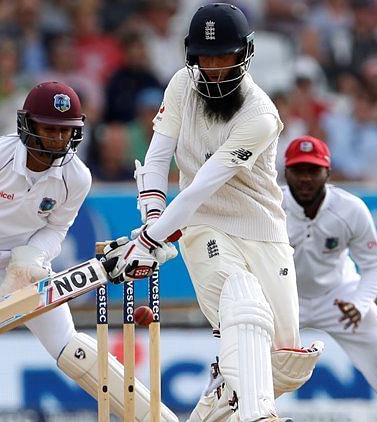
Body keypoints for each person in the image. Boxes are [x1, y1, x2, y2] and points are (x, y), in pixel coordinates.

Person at [0, 82, 177, 422]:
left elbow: (56, 228)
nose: (56, 138)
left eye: (65, 131)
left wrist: (30, 259)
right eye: (48, 128)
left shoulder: (77, 178)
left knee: (72, 348)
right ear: (28, 125)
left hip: (23, 269)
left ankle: (158, 419)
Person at [102, 4, 322, 421]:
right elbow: (156, 160)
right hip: (202, 224)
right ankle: (260, 416)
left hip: (262, 230)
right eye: (206, 58)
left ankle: (221, 402)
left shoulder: (259, 114)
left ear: (244, 55)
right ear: (191, 56)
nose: (216, 67)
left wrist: (150, 241)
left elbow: (204, 182)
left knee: (285, 362)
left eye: (225, 56)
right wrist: (153, 219)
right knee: (240, 296)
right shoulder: (181, 87)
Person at [282, 136, 377, 421]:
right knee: (243, 350)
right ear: (286, 172)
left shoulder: (350, 209)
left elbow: (374, 265)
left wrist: (359, 303)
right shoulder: (271, 206)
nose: (305, 178)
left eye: (313, 170)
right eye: (298, 170)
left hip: (338, 296)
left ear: (328, 172)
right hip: (284, 298)